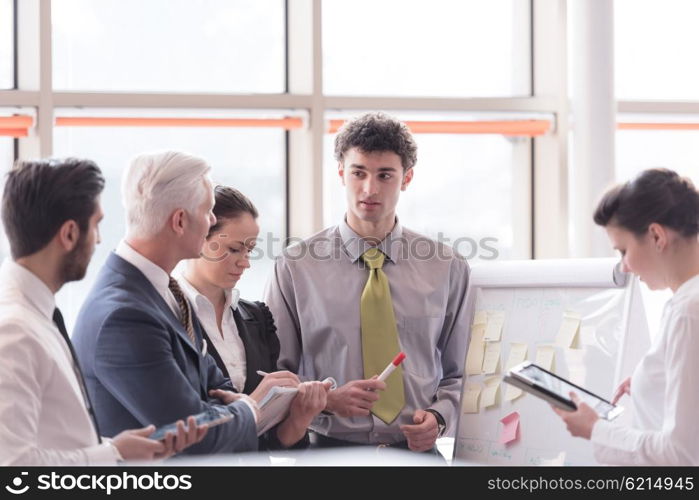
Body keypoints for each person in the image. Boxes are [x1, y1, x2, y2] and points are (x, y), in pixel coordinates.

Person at [264, 112, 470, 452]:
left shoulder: (447, 266)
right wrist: (327, 400)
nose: (369, 189)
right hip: (327, 453)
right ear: (342, 173)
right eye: (358, 172)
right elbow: (275, 377)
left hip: (419, 454)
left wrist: (441, 416)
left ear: (407, 178)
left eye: (385, 175)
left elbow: (461, 372)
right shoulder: (295, 267)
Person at [0, 158, 206, 466]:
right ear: (69, 234)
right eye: (96, 225)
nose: (98, 240)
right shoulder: (16, 331)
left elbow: (56, 435)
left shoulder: (35, 316)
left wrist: (121, 449)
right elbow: (14, 468)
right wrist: (113, 453)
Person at [72, 151, 274, 455]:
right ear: (180, 221)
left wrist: (222, 408)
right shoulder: (124, 315)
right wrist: (248, 409)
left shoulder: (168, 291)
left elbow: (219, 387)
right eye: (208, 212)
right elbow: (196, 437)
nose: (211, 222)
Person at [553, 168, 699, 465]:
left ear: (657, 236)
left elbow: (681, 455)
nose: (624, 267)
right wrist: (656, 379)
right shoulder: (686, 305)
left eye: (623, 251)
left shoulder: (688, 312)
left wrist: (596, 430)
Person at [178, 185, 330, 449]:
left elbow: (273, 442)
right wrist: (255, 402)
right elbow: (178, 426)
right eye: (235, 249)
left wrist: (300, 417)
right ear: (198, 237)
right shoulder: (167, 317)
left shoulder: (256, 318)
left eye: (249, 250)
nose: (245, 262)